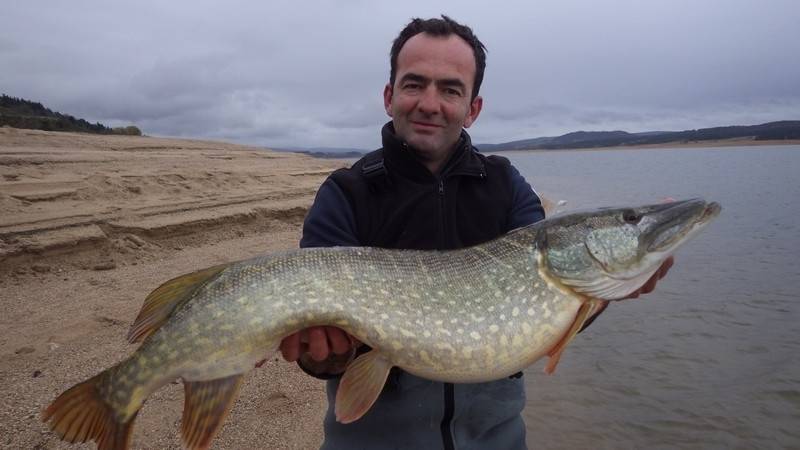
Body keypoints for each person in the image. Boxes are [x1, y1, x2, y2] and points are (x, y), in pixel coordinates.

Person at [279, 15, 673, 449]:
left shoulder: (506, 185)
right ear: (390, 97)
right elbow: (321, 361)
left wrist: (604, 292)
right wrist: (328, 353)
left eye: (450, 89)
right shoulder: (347, 192)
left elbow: (542, 319)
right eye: (415, 84)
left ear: (473, 109)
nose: (430, 103)